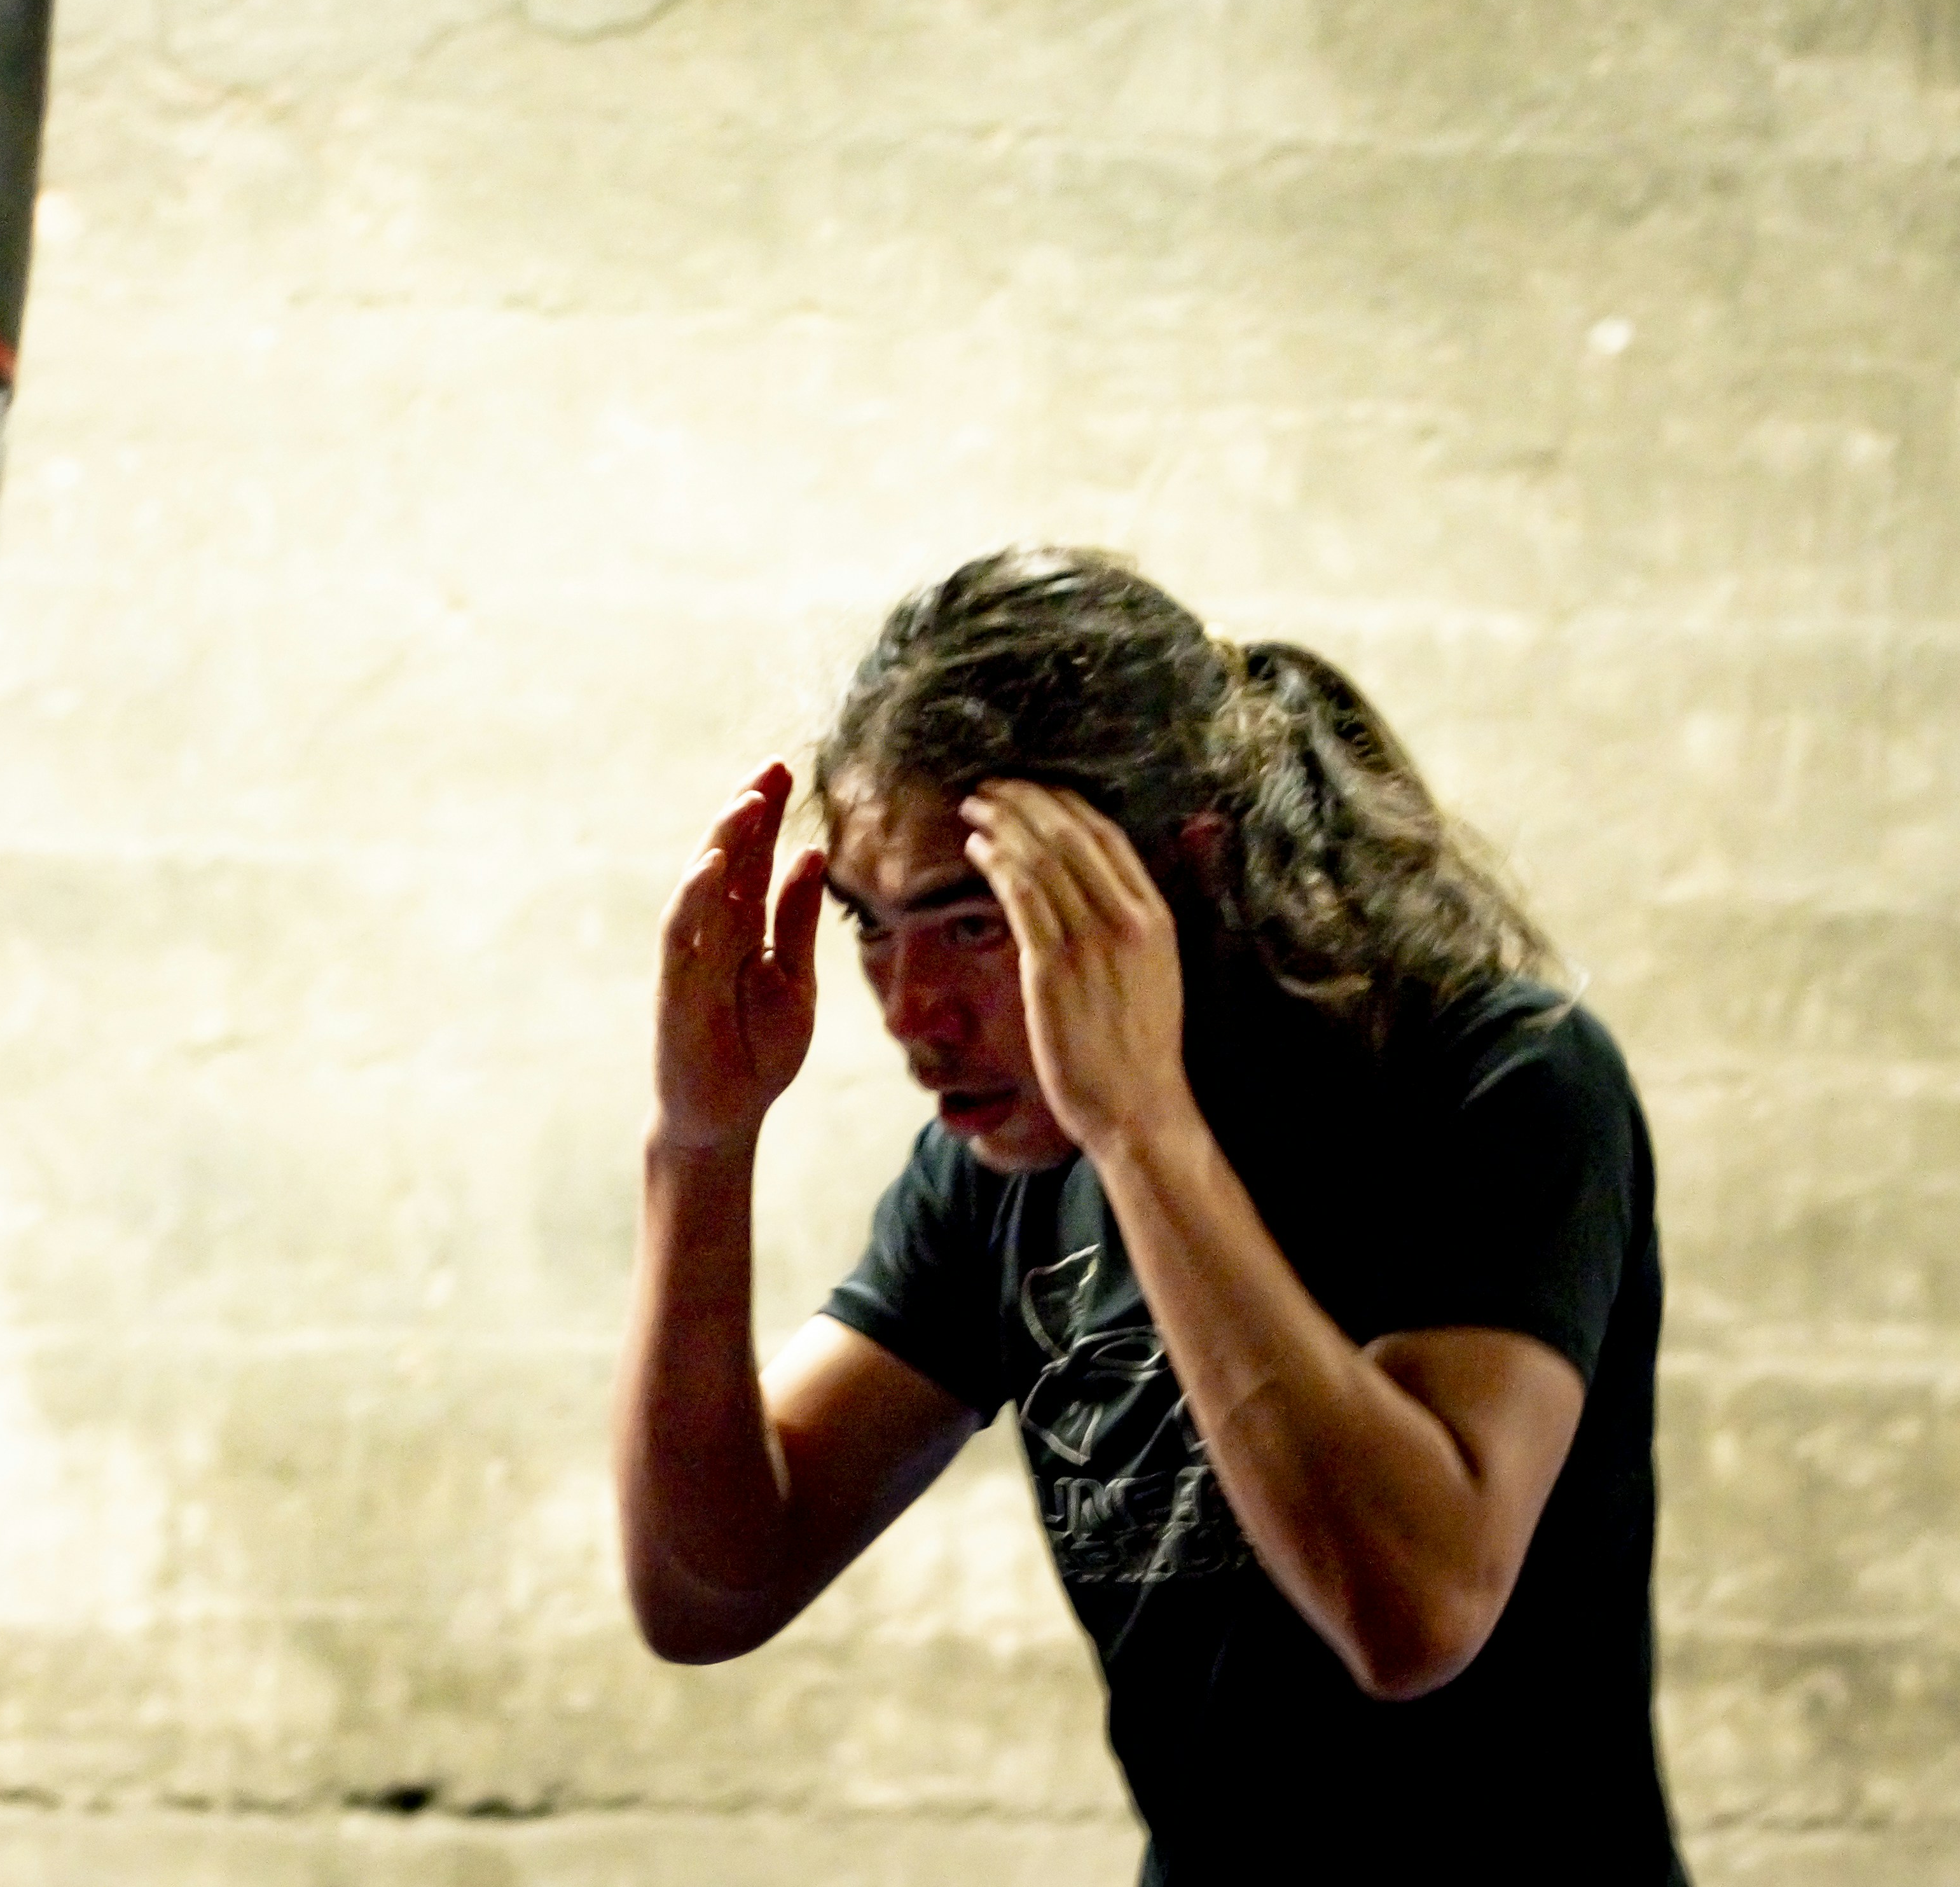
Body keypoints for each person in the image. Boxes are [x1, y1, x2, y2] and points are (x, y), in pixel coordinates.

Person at [614, 548, 1684, 1883]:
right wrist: (699, 1144)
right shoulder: (1001, 1171)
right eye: (871, 929)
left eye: (974, 924)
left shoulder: (1495, 1081)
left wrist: (1143, 1127)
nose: (909, 1010)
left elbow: (1413, 1611)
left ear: (1187, 872)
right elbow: (707, 1587)